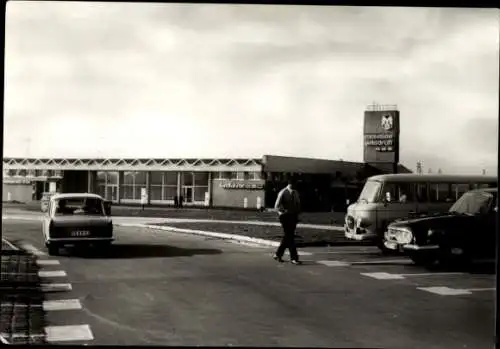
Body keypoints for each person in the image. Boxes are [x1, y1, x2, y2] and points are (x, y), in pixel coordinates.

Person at [273, 176, 302, 265]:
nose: (294, 185)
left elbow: (298, 204)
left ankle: (278, 254)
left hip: (293, 217)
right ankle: (294, 258)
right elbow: (276, 206)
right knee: (290, 237)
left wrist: (297, 215)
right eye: (293, 184)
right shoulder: (283, 192)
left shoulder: (296, 193)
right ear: (289, 184)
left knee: (288, 237)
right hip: (285, 217)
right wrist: (283, 212)